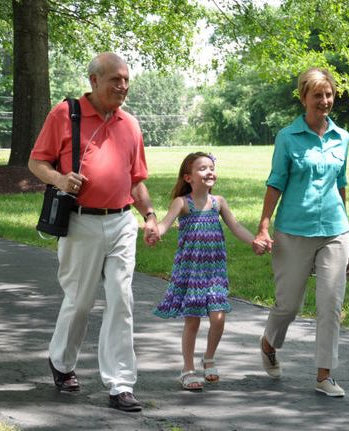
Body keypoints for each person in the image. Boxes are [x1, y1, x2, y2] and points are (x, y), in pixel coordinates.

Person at [28, 52, 160, 412]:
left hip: (121, 222)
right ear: (94, 81)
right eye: (115, 79)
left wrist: (148, 215)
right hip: (80, 221)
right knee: (80, 301)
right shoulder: (65, 114)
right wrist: (59, 178)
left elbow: (136, 181)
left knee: (122, 299)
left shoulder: (130, 124)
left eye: (126, 79)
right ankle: (62, 361)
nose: (123, 86)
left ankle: (120, 384)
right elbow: (36, 161)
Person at [252, 67, 349, 397]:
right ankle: (269, 343)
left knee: (330, 304)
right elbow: (275, 181)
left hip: (335, 232)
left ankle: (325, 375)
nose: (324, 101)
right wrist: (264, 225)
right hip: (293, 231)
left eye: (329, 94)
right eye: (317, 95)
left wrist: (344, 217)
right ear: (303, 98)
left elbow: (341, 184)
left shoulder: (342, 137)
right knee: (289, 305)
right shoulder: (287, 137)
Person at [151, 152, 257, 391]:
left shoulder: (218, 202)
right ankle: (187, 369)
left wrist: (254, 242)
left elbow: (236, 226)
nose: (209, 171)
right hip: (192, 272)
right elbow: (165, 224)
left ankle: (209, 357)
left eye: (211, 167)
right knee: (193, 321)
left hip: (214, 271)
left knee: (219, 318)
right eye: (202, 168)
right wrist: (154, 231)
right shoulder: (183, 203)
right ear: (188, 177)